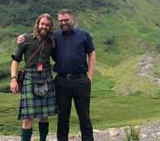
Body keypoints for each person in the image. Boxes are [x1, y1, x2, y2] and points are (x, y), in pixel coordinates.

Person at [18, 9, 96, 141]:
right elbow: (38, 37)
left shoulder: (84, 35)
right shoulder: (54, 36)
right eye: (61, 21)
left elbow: (92, 54)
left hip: (81, 80)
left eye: (66, 20)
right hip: (61, 81)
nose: (64, 22)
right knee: (63, 117)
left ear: (72, 19)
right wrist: (21, 38)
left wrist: (90, 76)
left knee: (84, 116)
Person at [11, 13, 57, 141]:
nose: (44, 27)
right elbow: (15, 60)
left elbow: (58, 57)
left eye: (47, 25)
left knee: (44, 115)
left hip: (46, 76)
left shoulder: (51, 41)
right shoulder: (25, 39)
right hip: (30, 77)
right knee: (28, 117)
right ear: (37, 24)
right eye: (42, 24)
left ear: (50, 27)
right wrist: (13, 79)